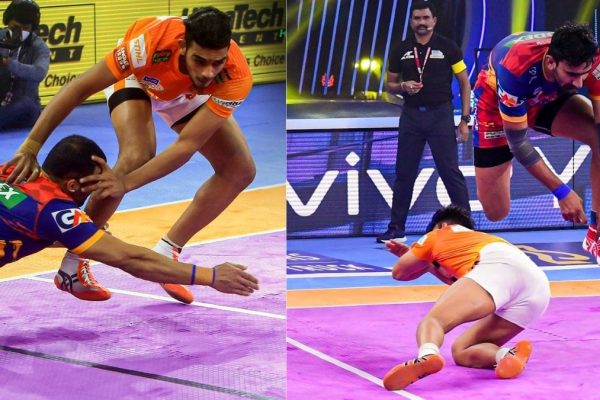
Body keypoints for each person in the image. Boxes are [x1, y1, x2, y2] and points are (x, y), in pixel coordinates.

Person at [3, 7, 255, 303]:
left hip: (187, 94)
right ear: (183, 46)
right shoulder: (147, 45)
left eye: (217, 62)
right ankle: (74, 263)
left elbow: (187, 145)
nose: (207, 72)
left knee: (240, 170)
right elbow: (79, 89)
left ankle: (167, 251)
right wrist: (31, 146)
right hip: (139, 76)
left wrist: (125, 183)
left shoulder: (235, 75)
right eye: (200, 60)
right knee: (138, 154)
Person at [0, 134, 259, 299]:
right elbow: (132, 259)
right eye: (96, 182)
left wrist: (77, 238)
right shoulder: (57, 212)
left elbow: (21, 223)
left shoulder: (12, 171)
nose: (101, 190)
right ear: (72, 185)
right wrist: (210, 276)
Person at [381, 205, 550, 391]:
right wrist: (429, 265)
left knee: (434, 321)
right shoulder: (479, 240)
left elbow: (399, 273)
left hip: (497, 269)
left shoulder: (437, 233)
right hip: (538, 288)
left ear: (442, 225)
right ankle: (507, 355)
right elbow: (460, 283)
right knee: (462, 350)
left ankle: (427, 355)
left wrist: (418, 257)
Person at [472, 23, 600, 261]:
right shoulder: (514, 66)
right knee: (496, 211)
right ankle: (501, 166)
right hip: (496, 106)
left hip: (549, 97)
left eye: (584, 74)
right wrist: (562, 192)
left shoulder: (592, 61)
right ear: (550, 62)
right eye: (572, 74)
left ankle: (596, 233)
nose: (579, 84)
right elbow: (518, 143)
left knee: (597, 135)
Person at [376, 0, 471, 244]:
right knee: (404, 174)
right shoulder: (400, 49)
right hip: (411, 116)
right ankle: (396, 228)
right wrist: (402, 86)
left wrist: (464, 120)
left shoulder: (448, 47)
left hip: (440, 115)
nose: (422, 22)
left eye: (426, 18)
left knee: (450, 172)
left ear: (434, 20)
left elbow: (464, 82)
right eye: (417, 18)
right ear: (411, 22)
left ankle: (467, 228)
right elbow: (390, 84)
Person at [0, 0, 49, 131]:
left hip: (25, 108)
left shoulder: (39, 47)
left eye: (25, 28)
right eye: (16, 27)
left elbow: (39, 72)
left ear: (33, 28)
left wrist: (7, 63)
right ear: (7, 22)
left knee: (26, 104)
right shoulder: (1, 37)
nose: (20, 32)